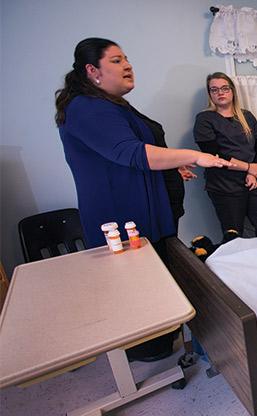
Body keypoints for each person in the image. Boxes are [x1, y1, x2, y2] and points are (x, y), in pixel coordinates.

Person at [55, 38, 232, 361]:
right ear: (92, 70)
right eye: (117, 60)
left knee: (160, 277)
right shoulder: (86, 107)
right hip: (122, 213)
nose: (128, 65)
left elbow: (132, 148)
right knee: (138, 287)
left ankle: (162, 341)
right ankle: (147, 349)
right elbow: (129, 153)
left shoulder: (111, 104)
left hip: (149, 208)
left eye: (127, 58)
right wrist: (195, 156)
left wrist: (173, 163)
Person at [193, 72, 257, 239]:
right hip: (223, 184)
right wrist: (248, 168)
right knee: (233, 232)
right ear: (210, 94)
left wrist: (252, 173)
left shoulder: (246, 116)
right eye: (214, 89)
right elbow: (215, 154)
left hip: (252, 180)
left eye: (225, 88)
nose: (220, 93)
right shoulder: (205, 119)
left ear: (232, 91)